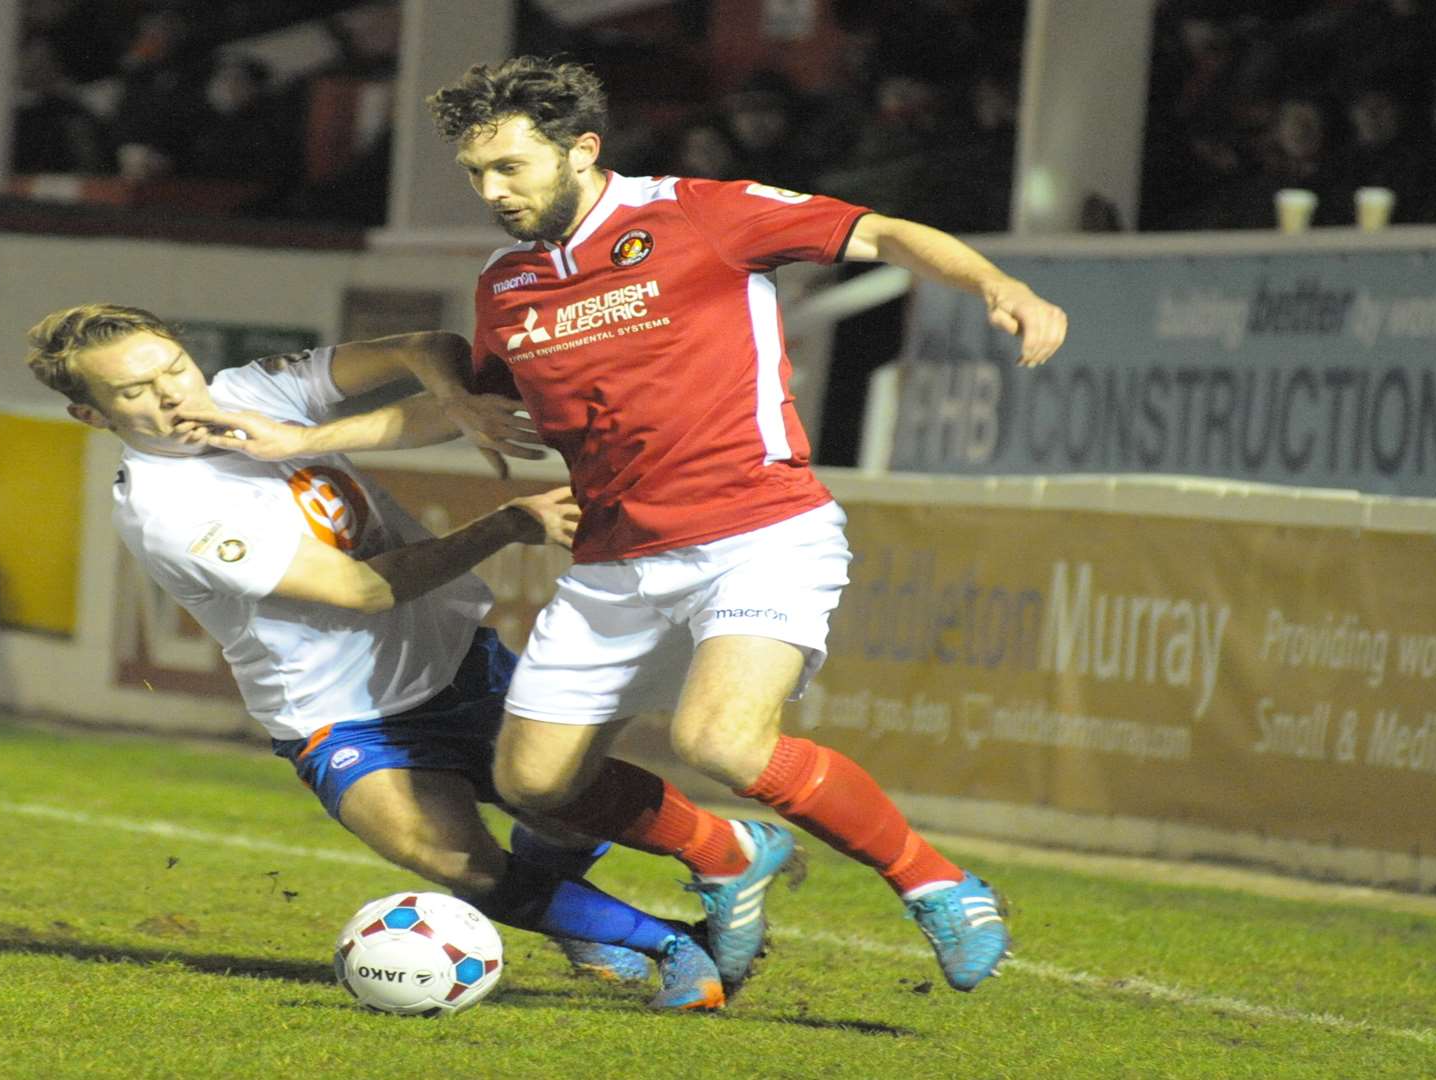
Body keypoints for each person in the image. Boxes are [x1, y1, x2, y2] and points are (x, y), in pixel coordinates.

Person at [426, 55, 1069, 993]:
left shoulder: (699, 212)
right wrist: (450, 395)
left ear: (582, 150)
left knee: (722, 741)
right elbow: (474, 383)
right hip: (612, 563)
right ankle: (728, 854)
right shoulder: (505, 284)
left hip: (756, 533)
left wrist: (994, 284)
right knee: (533, 785)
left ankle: (940, 886)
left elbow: (879, 231)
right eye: (478, 175)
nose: (493, 192)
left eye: (511, 169)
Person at [22, 304, 797, 1010]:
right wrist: (504, 527)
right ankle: (667, 943)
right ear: (90, 414)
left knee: (560, 796)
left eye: (173, 369)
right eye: (135, 392)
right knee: (461, 865)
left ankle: (726, 853)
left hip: (457, 658)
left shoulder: (253, 389)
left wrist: (457, 402)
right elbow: (361, 592)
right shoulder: (167, 511)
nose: (171, 396)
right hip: (336, 711)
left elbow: (424, 345)